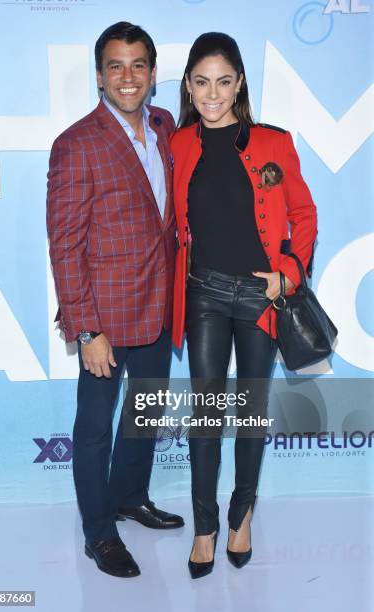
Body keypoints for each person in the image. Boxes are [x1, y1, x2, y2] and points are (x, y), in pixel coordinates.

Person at [171, 32, 317, 579]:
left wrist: (289, 273)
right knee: (206, 417)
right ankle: (204, 527)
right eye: (202, 82)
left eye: (224, 81)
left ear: (240, 84)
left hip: (261, 297)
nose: (213, 94)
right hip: (204, 293)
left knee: (250, 415)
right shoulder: (179, 144)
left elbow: (305, 215)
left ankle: (242, 518)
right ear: (188, 84)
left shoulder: (275, 143)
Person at [46, 21, 184, 579]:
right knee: (95, 428)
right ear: (100, 76)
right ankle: (99, 534)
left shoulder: (165, 124)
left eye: (137, 66)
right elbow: (65, 243)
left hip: (159, 305)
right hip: (103, 316)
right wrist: (85, 328)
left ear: (152, 74)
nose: (127, 77)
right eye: (115, 66)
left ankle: (131, 496)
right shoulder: (77, 143)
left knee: (144, 414)